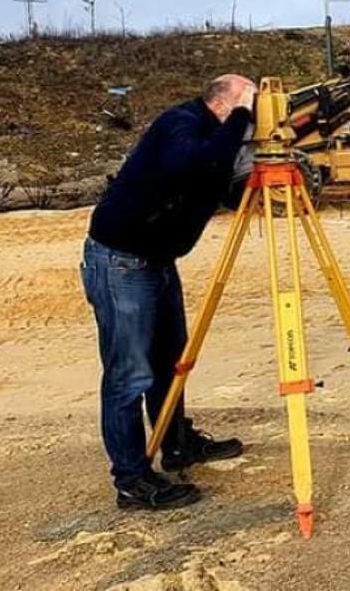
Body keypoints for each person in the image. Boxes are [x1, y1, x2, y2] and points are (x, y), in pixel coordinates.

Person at [82, 74, 257, 510]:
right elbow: (192, 166)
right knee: (130, 375)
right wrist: (242, 117)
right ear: (224, 104)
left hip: (157, 260)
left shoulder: (220, 140)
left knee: (170, 363)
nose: (254, 113)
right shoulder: (181, 123)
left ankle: (176, 443)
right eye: (248, 103)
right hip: (121, 260)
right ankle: (132, 479)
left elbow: (229, 189)